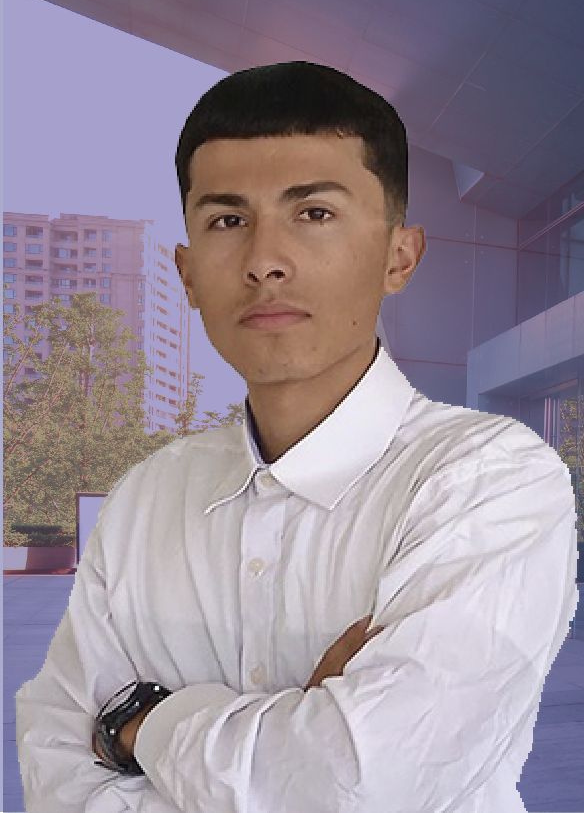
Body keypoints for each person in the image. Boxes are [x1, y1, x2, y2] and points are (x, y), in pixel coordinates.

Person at [15, 61, 578, 813]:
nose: (264, 261)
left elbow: (366, 784)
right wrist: (293, 743)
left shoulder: (490, 482)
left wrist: (139, 724)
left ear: (399, 256)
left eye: (313, 213)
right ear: (185, 274)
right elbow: (52, 768)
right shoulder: (145, 500)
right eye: (226, 220)